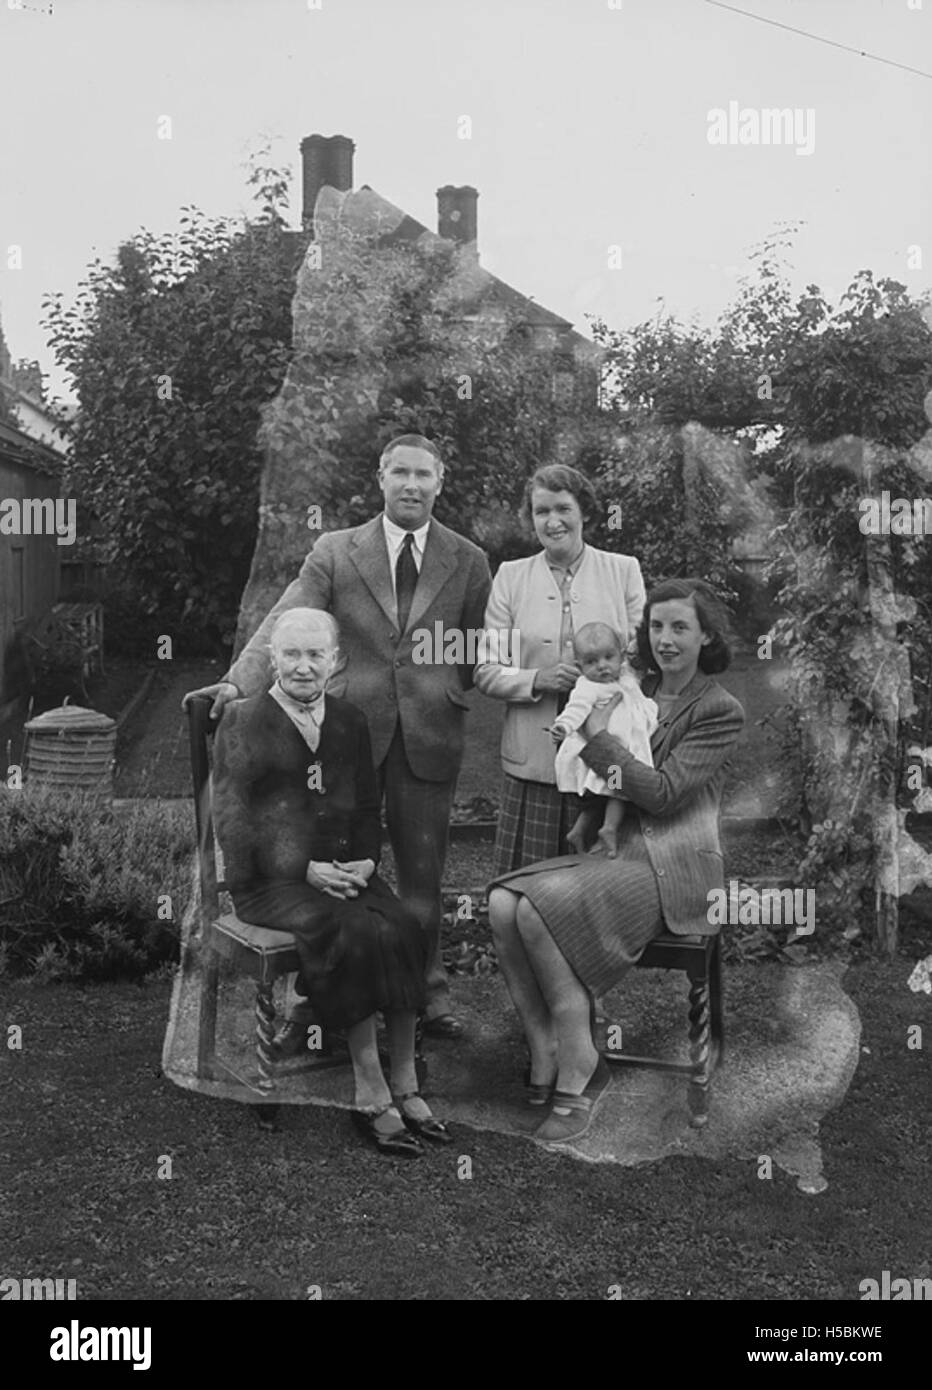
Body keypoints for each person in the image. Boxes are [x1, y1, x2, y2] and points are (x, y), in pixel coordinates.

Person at [185, 434, 492, 1042]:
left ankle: (427, 994)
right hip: (341, 741)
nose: (411, 485)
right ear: (380, 478)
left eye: (423, 475)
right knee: (331, 866)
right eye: (400, 472)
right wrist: (238, 682)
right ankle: (319, 1002)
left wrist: (443, 690)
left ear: (439, 482)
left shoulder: (469, 559)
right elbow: (285, 620)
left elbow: (477, 645)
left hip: (429, 737)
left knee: (423, 875)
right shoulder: (336, 550)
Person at [487, 578, 745, 1146]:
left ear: (706, 636)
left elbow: (662, 794)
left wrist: (597, 734)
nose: (665, 639)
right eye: (657, 626)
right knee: (503, 903)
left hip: (676, 868)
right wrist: (588, 816)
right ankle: (544, 1044)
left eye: (680, 628)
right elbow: (607, 781)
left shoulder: (719, 710)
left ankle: (580, 1058)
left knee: (535, 910)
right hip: (617, 851)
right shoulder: (634, 685)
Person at [212, 608, 452, 1158]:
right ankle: (370, 1088)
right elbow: (234, 826)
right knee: (354, 931)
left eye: (314, 655)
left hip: (343, 873)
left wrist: (366, 861)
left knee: (405, 923)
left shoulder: (349, 720)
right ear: (272, 659)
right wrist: (305, 869)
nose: (303, 666)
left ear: (335, 661)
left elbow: (367, 807)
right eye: (291, 654)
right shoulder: (244, 722)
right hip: (271, 882)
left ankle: (406, 1083)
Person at [474, 464, 646, 875]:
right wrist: (536, 679)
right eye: (541, 511)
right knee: (526, 887)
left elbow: (642, 658)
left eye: (563, 509)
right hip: (533, 763)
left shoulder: (622, 570)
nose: (553, 521)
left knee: (599, 887)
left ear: (583, 511)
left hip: (605, 764)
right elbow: (486, 669)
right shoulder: (511, 577)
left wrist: (606, 688)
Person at [550, 621, 658, 859]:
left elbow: (638, 659)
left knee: (601, 793)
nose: (602, 666)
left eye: (609, 657)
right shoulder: (588, 687)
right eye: (591, 662)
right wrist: (563, 726)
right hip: (609, 753)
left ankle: (578, 830)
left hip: (614, 750)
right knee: (619, 789)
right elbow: (575, 709)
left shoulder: (625, 674)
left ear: (621, 655)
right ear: (579, 666)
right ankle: (609, 828)